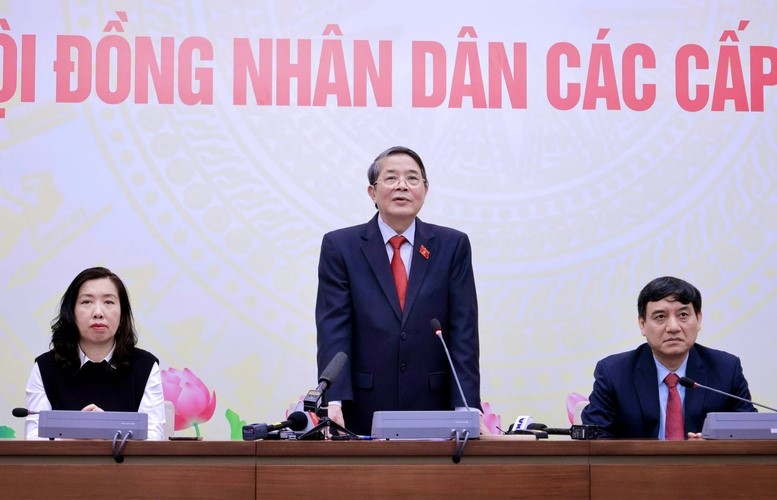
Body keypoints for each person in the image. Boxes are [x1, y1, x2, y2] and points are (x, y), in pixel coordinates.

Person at [315, 146, 482, 436]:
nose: (402, 185)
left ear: (425, 190)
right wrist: (334, 400)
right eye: (391, 178)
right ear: (372, 192)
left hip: (434, 406)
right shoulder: (341, 247)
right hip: (362, 407)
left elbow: (463, 331)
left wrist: (466, 407)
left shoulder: (452, 246)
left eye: (412, 178)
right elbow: (334, 328)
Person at [581, 276, 756, 439]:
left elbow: (751, 433)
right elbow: (594, 437)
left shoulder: (726, 369)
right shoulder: (613, 373)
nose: (673, 327)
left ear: (698, 319)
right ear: (642, 324)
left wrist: (712, 447)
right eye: (660, 317)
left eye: (683, 315)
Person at [24, 267, 165, 440]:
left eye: (109, 302)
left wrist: (107, 430)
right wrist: (76, 435)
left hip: (124, 460)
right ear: (71, 312)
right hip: (64, 459)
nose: (98, 313)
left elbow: (153, 438)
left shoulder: (145, 366)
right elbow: (35, 438)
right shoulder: (46, 367)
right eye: (87, 302)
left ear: (122, 313)